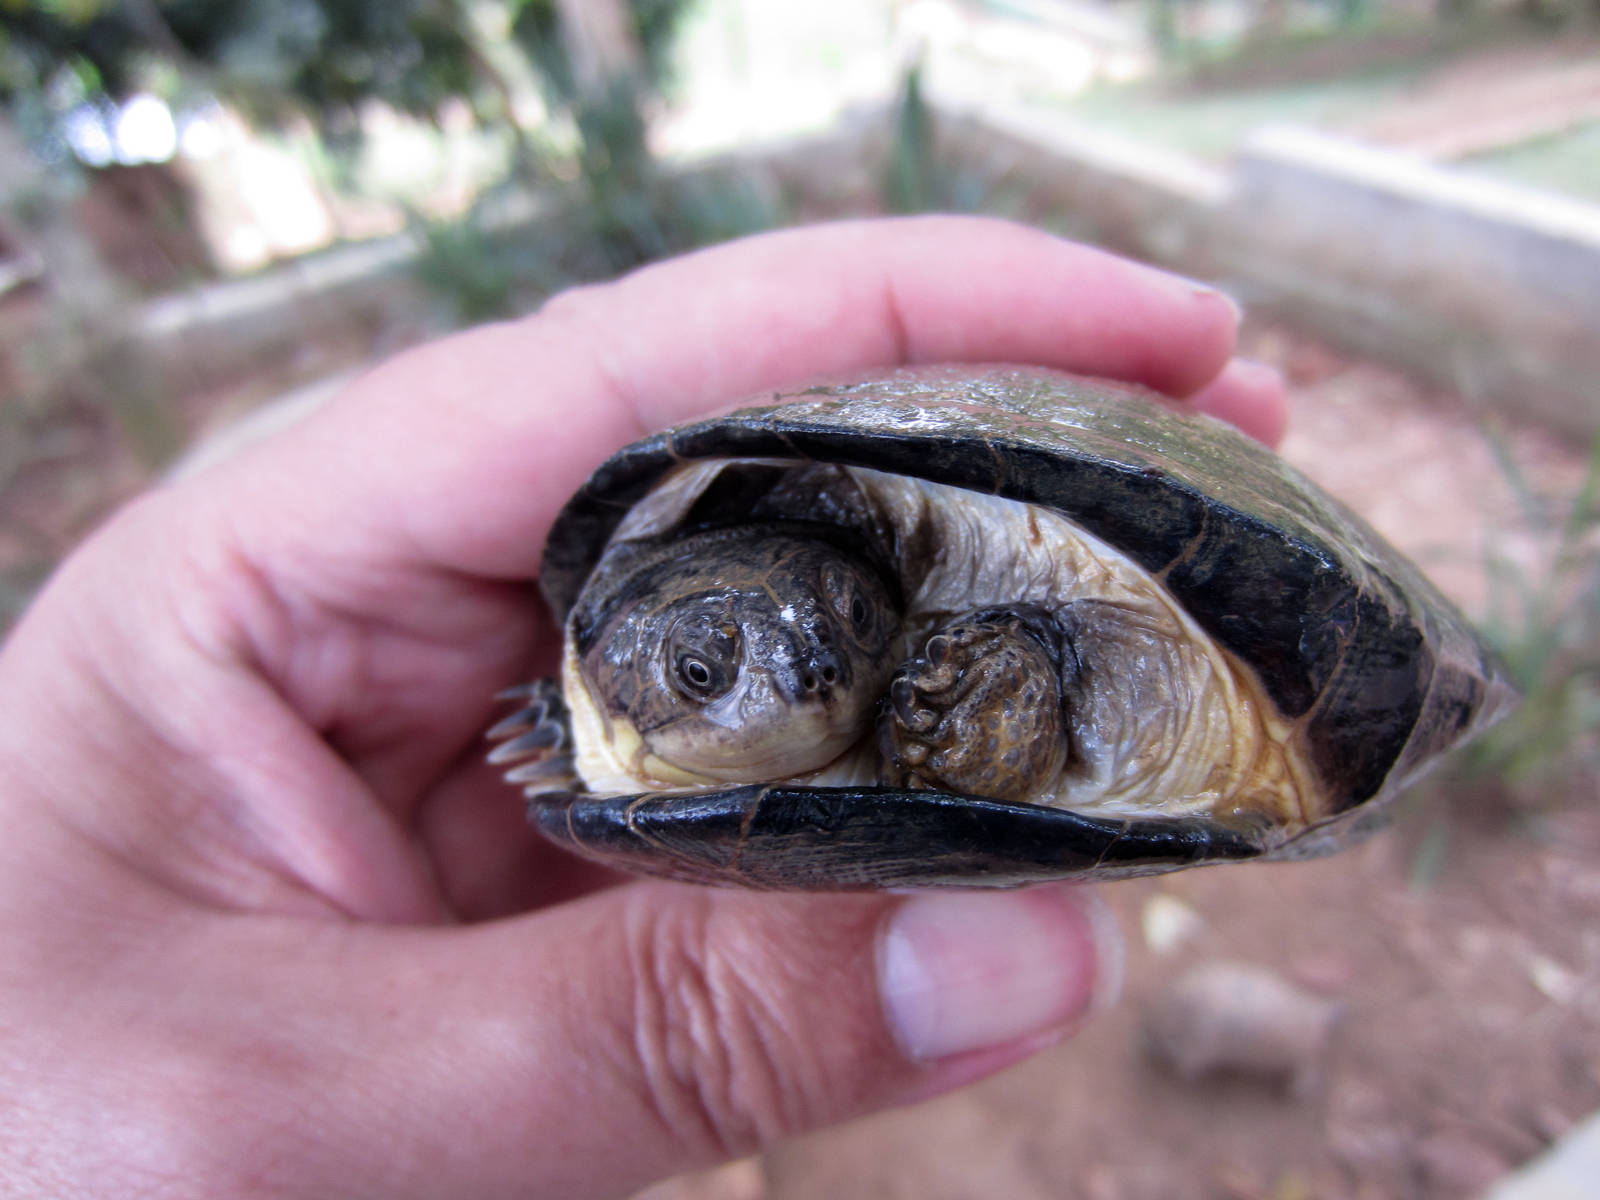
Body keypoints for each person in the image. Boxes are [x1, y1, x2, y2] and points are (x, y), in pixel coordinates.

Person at [0, 217, 1287, 1198]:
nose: (798, 679)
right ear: (604, 664)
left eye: (844, 631)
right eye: (699, 669)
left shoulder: (943, 618)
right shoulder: (571, 702)